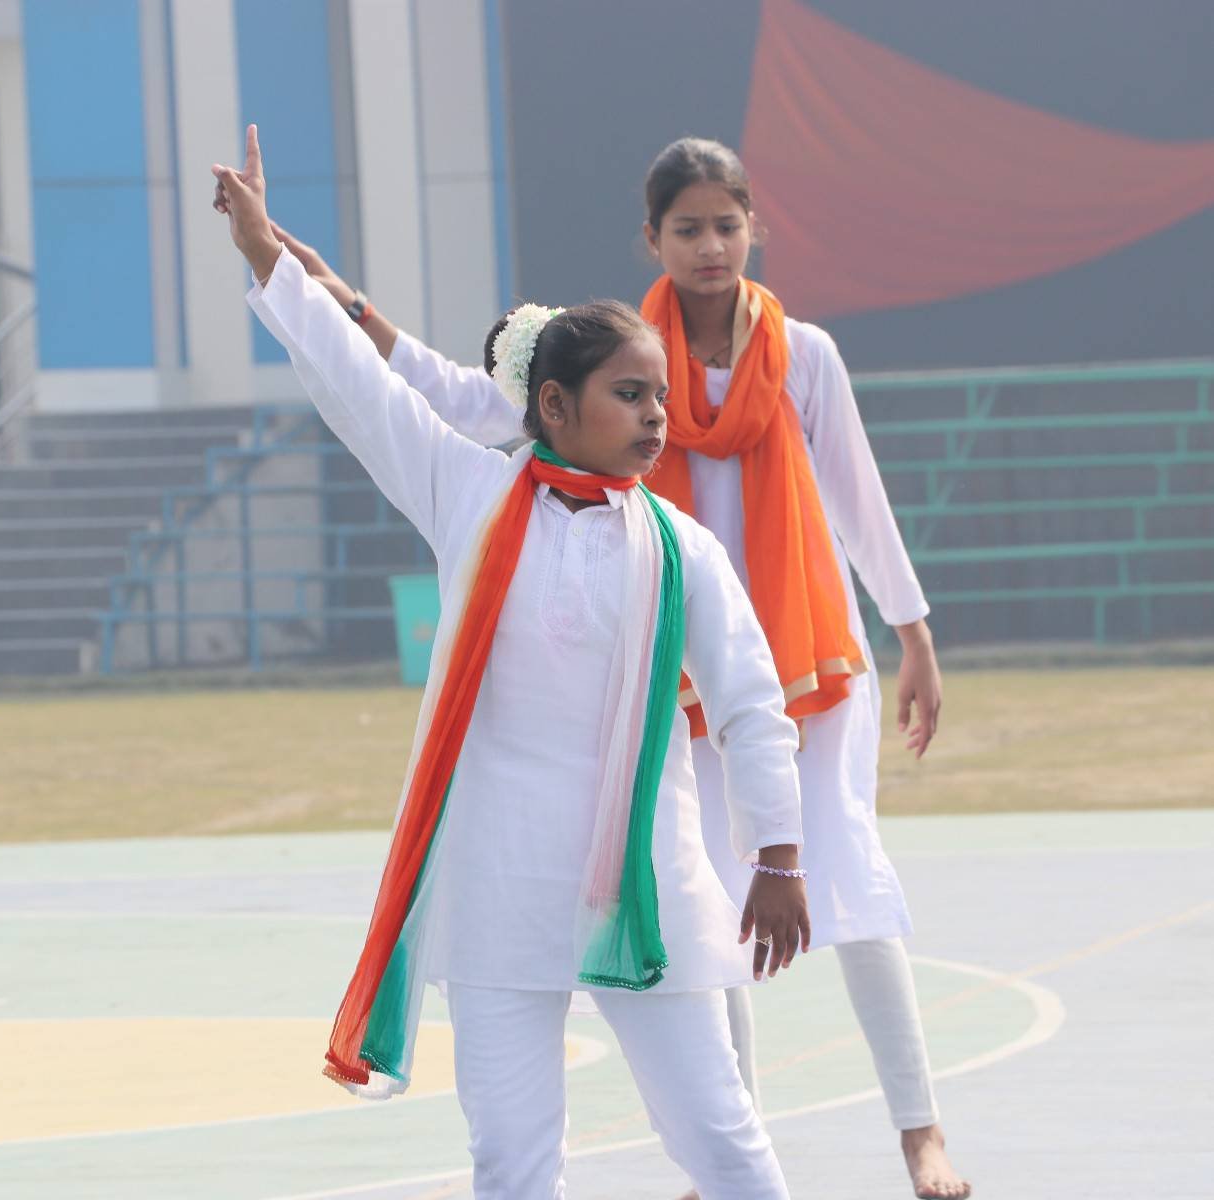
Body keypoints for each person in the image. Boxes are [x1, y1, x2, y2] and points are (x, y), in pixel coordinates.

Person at [228, 136, 969, 1200]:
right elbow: (364, 391)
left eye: (658, 397)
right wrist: (267, 256)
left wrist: (776, 859)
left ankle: (910, 1130)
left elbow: (753, 710)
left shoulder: (679, 549)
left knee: (723, 1145)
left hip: (643, 888)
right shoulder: (468, 496)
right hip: (499, 889)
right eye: (629, 395)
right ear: (552, 408)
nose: (657, 417)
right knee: (512, 1161)